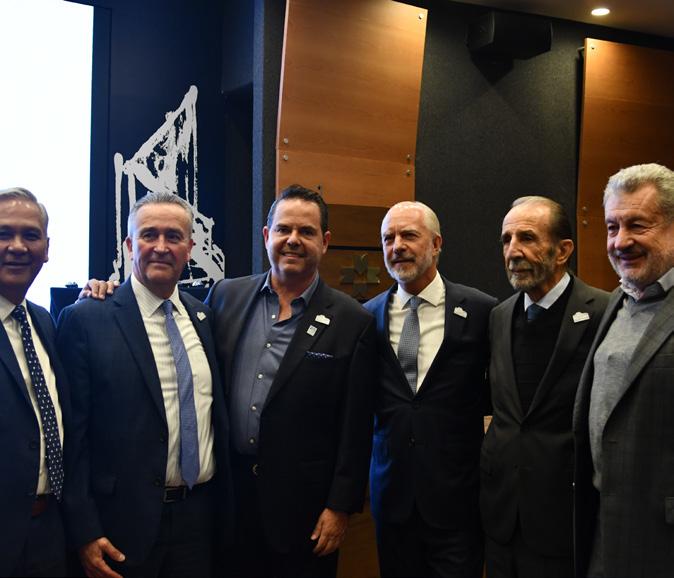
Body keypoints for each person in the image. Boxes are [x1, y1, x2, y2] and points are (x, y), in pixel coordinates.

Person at [56, 192, 231, 578]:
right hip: (120, 525)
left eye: (174, 236)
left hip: (198, 521)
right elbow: (72, 438)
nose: (161, 247)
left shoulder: (203, 317)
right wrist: (84, 530)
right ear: (130, 244)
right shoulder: (86, 320)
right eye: (149, 235)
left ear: (190, 248)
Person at [206, 184, 376, 577]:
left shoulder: (353, 321)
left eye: (306, 232)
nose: (293, 240)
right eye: (284, 229)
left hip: (305, 512)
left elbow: (356, 428)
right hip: (230, 503)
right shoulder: (225, 296)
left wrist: (339, 507)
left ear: (325, 242)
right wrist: (104, 291)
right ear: (267, 236)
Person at [364, 201, 496, 578]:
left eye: (409, 235)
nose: (397, 246)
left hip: (458, 500)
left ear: (436, 244)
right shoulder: (367, 317)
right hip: (392, 500)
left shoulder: (482, 311)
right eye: (388, 238)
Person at [481, 196, 609, 578]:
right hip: (502, 519)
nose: (512, 251)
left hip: (565, 520)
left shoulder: (604, 313)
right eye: (506, 240)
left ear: (563, 250)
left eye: (527, 238)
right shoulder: (499, 316)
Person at [573, 163, 674, 578]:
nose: (621, 241)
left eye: (638, 225)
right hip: (603, 528)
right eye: (612, 227)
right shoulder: (617, 300)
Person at [0, 187, 70, 577]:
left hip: (49, 534)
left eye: (30, 235)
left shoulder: (43, 321)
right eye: (3, 234)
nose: (17, 247)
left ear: (46, 248)